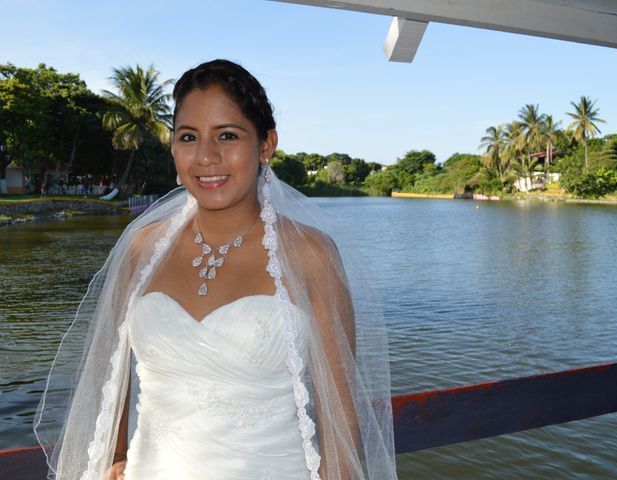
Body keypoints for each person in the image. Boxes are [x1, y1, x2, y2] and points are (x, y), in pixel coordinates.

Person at [33, 59, 396, 480]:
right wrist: (113, 456)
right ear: (174, 149)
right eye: (189, 137)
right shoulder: (142, 247)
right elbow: (110, 376)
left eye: (227, 135)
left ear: (265, 145)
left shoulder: (311, 255)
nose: (206, 156)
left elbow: (342, 424)